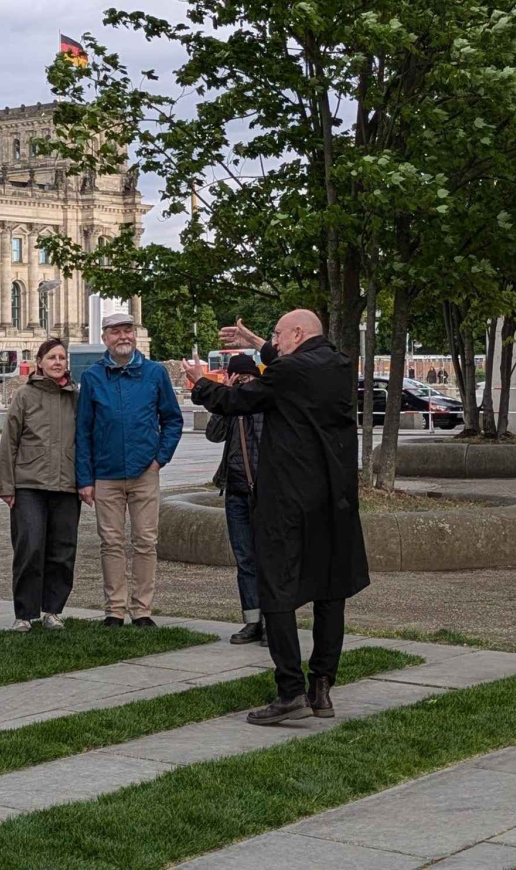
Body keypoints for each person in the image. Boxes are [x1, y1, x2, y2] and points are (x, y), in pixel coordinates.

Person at [186, 311, 371, 726]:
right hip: (334, 498)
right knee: (329, 592)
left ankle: (290, 690)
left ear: (299, 334)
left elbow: (236, 401)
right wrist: (256, 340)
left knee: (276, 590)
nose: (275, 342)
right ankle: (321, 686)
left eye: (278, 335)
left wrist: (199, 384)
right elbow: (285, 363)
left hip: (289, 498)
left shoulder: (289, 373)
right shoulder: (340, 366)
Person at [76, 311, 183, 627]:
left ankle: (142, 609)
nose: (123, 336)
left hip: (144, 472)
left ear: (134, 336)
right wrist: (85, 478)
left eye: (127, 330)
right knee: (110, 542)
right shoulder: (94, 378)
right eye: (115, 332)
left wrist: (159, 458)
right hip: (106, 474)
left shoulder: (154, 374)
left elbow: (173, 420)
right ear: (105, 338)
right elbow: (83, 431)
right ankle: (114, 609)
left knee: (145, 541)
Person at [0, 338, 80, 632]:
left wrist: (85, 481)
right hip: (29, 484)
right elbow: (9, 442)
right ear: (40, 362)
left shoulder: (74, 396)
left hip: (67, 485)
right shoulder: (24, 395)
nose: (58, 362)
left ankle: (53, 610)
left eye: (62, 357)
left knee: (62, 550)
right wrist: (6, 485)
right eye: (52, 357)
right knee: (29, 547)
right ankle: (24, 613)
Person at [205, 353, 266, 645]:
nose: (242, 382)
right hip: (236, 491)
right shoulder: (232, 405)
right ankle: (252, 622)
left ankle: (272, 621)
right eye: (237, 376)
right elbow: (213, 435)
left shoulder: (263, 403)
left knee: (268, 558)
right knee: (245, 560)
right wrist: (227, 397)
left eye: (246, 377)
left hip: (264, 491)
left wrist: (248, 397)